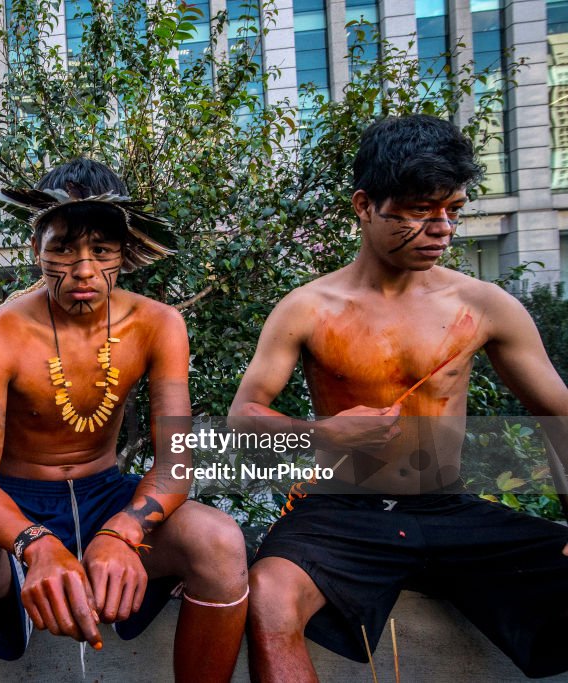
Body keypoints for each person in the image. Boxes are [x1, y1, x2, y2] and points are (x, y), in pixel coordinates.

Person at [229, 115, 568, 680]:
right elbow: (244, 417)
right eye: (418, 210)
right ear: (364, 205)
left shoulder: (484, 304)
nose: (441, 229)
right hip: (343, 510)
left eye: (452, 210)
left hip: (446, 506)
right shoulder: (309, 308)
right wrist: (324, 434)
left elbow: (558, 414)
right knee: (268, 594)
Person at [0, 159, 249, 682]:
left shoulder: (159, 324)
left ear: (126, 252)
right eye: (63, 249)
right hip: (14, 504)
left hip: (108, 495)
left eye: (102, 251)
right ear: (35, 250)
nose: (85, 270)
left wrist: (123, 531)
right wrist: (37, 545)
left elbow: (176, 461)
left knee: (221, 543)